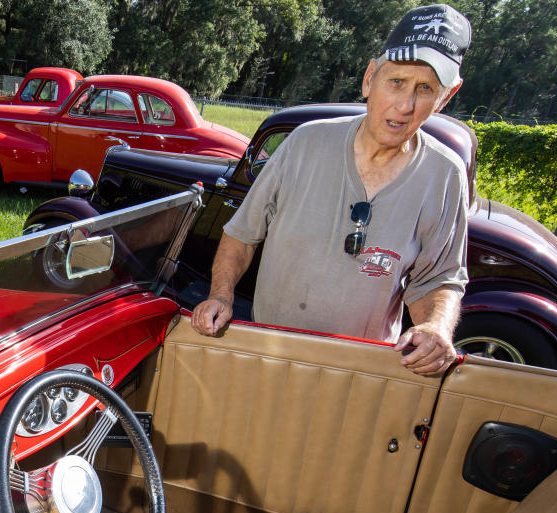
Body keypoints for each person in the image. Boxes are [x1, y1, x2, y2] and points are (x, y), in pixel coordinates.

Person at [191, 4, 472, 377]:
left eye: (425, 89)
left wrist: (436, 327)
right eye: (397, 82)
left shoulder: (444, 175)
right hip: (270, 352)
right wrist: (220, 296)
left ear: (446, 97)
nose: (405, 106)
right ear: (370, 78)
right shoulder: (304, 143)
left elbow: (437, 280)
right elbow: (241, 236)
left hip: (361, 371)